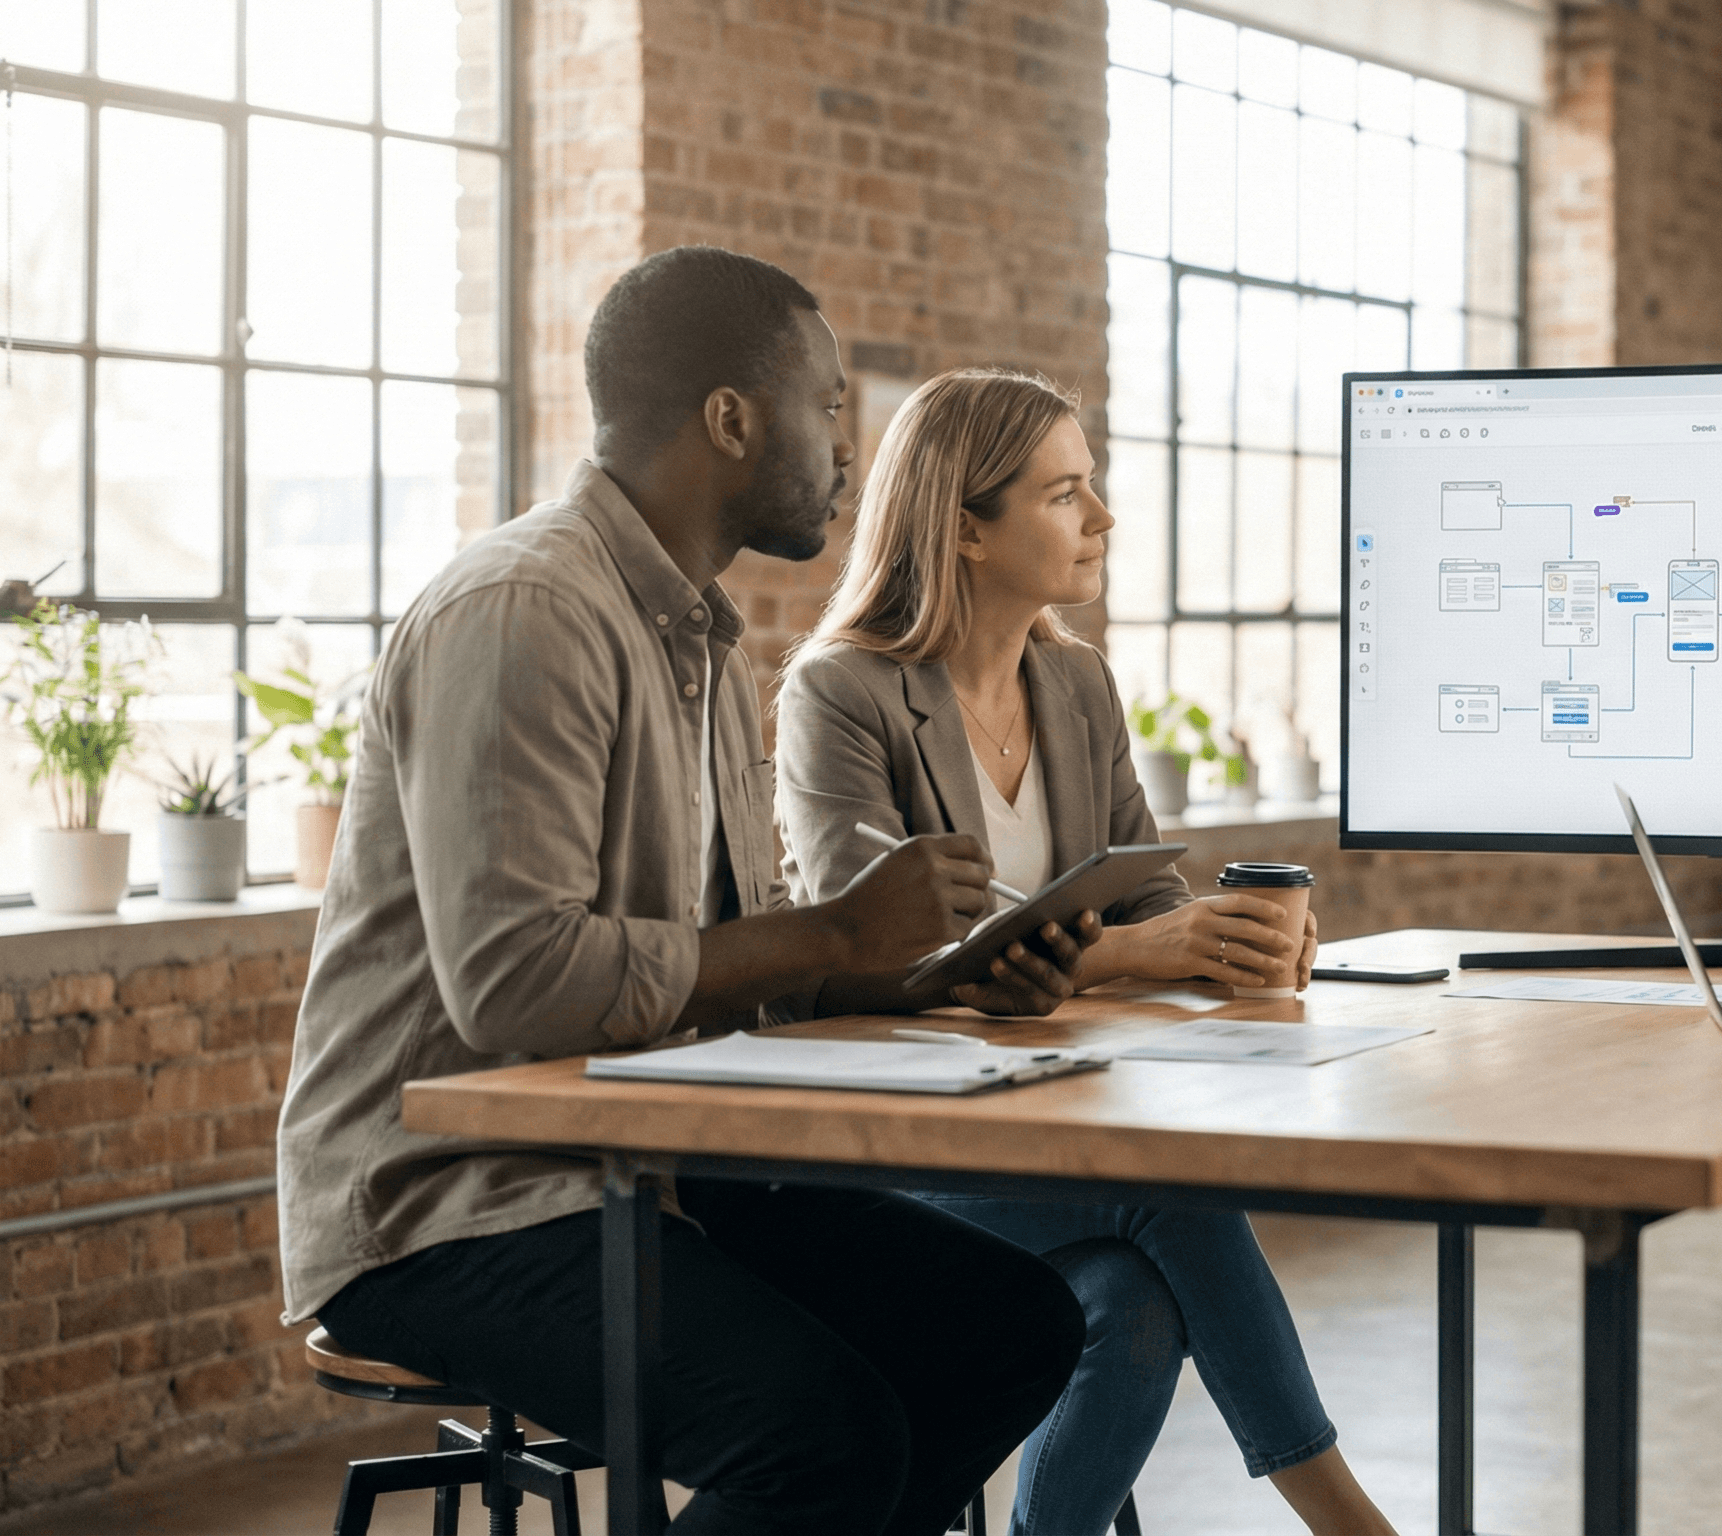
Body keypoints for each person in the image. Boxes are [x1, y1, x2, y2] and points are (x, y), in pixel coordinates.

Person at [276, 248, 1090, 1536]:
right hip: (450, 1200)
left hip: (650, 1166)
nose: (843, 445)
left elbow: (724, 959)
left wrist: (925, 970)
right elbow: (513, 983)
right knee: (817, 1433)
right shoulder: (524, 609)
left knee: (1010, 1327)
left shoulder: (703, 639)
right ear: (730, 419)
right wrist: (827, 928)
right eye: (825, 407)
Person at [775, 366, 1400, 1536]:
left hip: (1045, 1127)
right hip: (889, 1159)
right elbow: (856, 937)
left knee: (1133, 1301)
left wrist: (1235, 939)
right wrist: (1124, 959)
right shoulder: (841, 691)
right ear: (964, 524)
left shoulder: (1074, 681)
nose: (1102, 518)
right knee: (1169, 1196)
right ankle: (1349, 1522)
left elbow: (1145, 888)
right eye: (1067, 495)